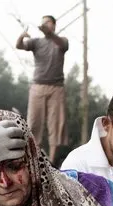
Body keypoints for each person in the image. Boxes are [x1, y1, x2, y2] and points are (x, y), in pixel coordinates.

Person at [16, 15, 69, 164]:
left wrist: (50, 34)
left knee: (56, 124)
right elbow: (19, 46)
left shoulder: (62, 41)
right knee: (34, 123)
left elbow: (60, 43)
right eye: (44, 23)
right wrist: (22, 36)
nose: (46, 25)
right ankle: (35, 160)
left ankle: (52, 162)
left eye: (49, 23)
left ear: (54, 26)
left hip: (57, 88)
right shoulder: (36, 42)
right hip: (37, 86)